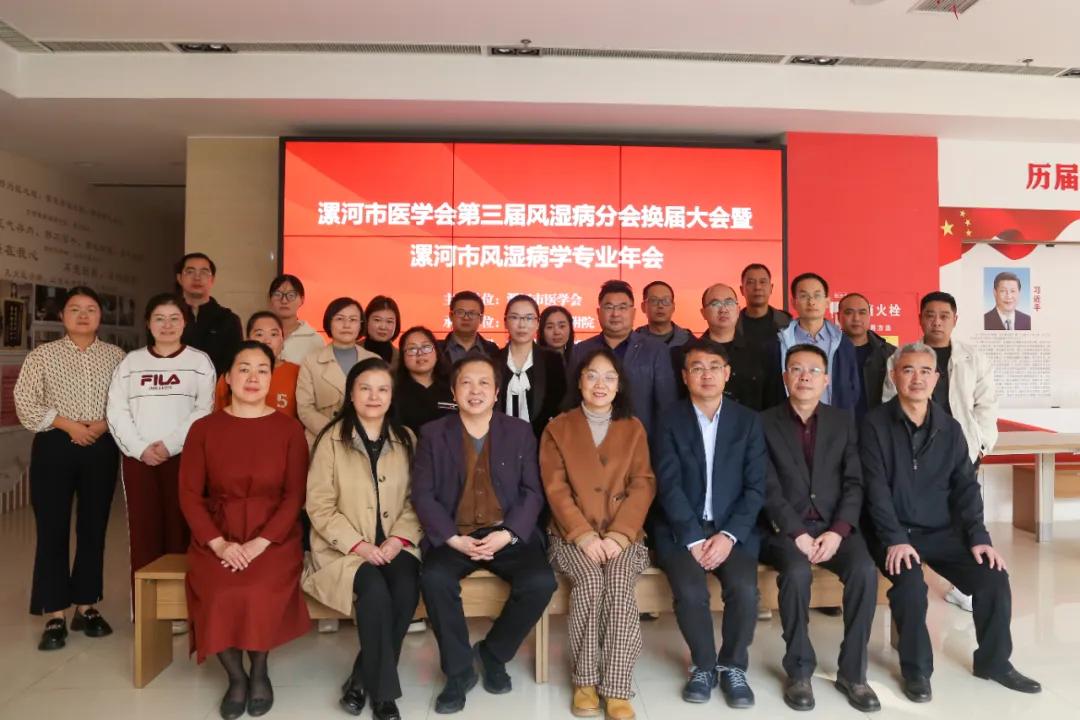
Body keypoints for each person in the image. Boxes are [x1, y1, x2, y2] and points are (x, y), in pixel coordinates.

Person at [861, 342, 1040, 701]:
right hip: (892, 532)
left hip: (940, 530)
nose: (917, 378)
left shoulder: (950, 428)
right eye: (908, 370)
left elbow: (965, 488)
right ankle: (916, 671)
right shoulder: (873, 425)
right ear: (894, 376)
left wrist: (979, 537)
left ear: (936, 378)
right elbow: (874, 490)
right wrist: (894, 538)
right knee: (911, 586)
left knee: (992, 577)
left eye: (925, 371)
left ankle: (994, 663)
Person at [412, 356, 557, 714]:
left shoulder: (519, 431)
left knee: (540, 582)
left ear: (496, 393)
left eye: (483, 384)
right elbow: (423, 494)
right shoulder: (432, 434)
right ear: (453, 391)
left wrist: (508, 533)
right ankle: (459, 671)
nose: (474, 391)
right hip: (455, 534)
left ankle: (493, 653)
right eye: (466, 383)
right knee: (434, 578)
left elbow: (532, 492)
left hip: (505, 533)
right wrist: (451, 538)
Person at [179, 341, 311, 719]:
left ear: (271, 379)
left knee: (257, 589)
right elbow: (189, 494)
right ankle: (236, 676)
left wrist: (260, 543)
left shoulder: (289, 430)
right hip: (217, 533)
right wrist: (219, 544)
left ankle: (260, 669)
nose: (253, 378)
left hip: (273, 535)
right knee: (219, 591)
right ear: (228, 378)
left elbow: (294, 496)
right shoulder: (203, 429)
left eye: (262, 370)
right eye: (244, 369)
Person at [759, 344, 880, 712]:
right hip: (785, 530)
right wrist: (796, 532)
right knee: (796, 574)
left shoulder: (844, 422)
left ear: (826, 380)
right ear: (785, 377)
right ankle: (799, 671)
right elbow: (766, 487)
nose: (805, 377)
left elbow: (855, 483)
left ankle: (853, 673)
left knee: (864, 570)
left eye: (814, 370)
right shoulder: (763, 422)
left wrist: (839, 530)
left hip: (833, 526)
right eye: (796, 369)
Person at [540, 347, 655, 720]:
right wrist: (584, 536)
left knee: (619, 583)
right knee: (590, 582)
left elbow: (643, 484)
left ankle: (617, 688)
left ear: (619, 385)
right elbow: (556, 490)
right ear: (579, 381)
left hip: (625, 535)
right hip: (571, 536)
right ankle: (585, 681)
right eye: (592, 375)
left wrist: (619, 535)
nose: (600, 384)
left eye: (609, 377)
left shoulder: (633, 427)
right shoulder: (558, 428)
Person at [651, 338, 766, 708]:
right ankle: (703, 665)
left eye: (714, 367)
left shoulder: (748, 421)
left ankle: (733, 665)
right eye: (697, 368)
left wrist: (729, 535)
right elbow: (667, 484)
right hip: (680, 530)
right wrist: (692, 537)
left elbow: (756, 488)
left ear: (727, 373)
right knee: (690, 592)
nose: (706, 375)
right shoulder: (668, 420)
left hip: (732, 529)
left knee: (745, 590)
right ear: (684, 376)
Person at [304, 358, 421, 720]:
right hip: (344, 549)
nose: (374, 396)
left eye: (382, 389)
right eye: (365, 388)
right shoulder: (330, 440)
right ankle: (384, 696)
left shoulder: (406, 439)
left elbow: (416, 500)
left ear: (391, 396)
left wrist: (397, 540)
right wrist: (360, 546)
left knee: (405, 588)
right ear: (351, 394)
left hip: (395, 544)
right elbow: (319, 506)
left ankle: (360, 678)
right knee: (374, 593)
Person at [14, 286, 125, 651]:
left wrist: (103, 425)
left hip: (101, 444)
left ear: (100, 316)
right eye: (74, 309)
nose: (83, 315)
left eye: (90, 309)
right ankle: (55, 612)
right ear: (61, 316)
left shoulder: (117, 357)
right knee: (52, 528)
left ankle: (87, 606)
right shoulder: (42, 355)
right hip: (55, 443)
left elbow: (126, 402)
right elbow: (25, 401)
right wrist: (69, 425)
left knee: (94, 526)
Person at [883, 291, 998, 613]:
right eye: (930, 315)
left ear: (954, 320)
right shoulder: (902, 357)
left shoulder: (974, 358)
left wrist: (980, 445)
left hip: (959, 448)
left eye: (944, 316)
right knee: (916, 512)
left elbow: (986, 405)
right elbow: (888, 402)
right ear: (920, 319)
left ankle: (962, 586)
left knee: (963, 510)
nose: (937, 321)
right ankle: (912, 573)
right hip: (913, 450)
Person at [107, 293, 216, 603]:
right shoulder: (131, 363)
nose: (167, 325)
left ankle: (180, 608)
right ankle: (146, 608)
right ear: (148, 323)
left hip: (184, 458)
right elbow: (116, 411)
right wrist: (140, 448)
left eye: (174, 318)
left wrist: (169, 446)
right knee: (144, 533)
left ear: (185, 323)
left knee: (181, 530)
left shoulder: (199, 362)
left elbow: (204, 410)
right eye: (159, 318)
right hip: (138, 461)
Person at [568, 280, 677, 437]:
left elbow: (666, 406)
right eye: (609, 307)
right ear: (598, 312)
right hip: (590, 441)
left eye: (622, 307)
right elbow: (572, 402)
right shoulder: (580, 351)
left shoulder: (656, 351)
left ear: (633, 312)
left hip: (641, 443)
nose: (615, 314)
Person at [673, 283, 783, 410]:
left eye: (729, 302)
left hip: (752, 422)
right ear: (703, 313)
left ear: (738, 309)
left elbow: (773, 401)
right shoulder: (689, 353)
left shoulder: (761, 352)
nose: (723, 309)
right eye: (715, 304)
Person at [296, 297, 379, 446]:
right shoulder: (311, 361)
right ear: (329, 322)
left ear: (361, 324)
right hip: (323, 440)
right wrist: (335, 432)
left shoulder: (374, 361)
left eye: (353, 319)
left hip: (364, 441)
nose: (346, 325)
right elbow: (305, 408)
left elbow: (382, 404)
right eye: (340, 319)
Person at [777, 273, 859, 411]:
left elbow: (853, 389)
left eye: (817, 295)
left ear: (827, 302)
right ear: (794, 302)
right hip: (787, 420)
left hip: (833, 421)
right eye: (804, 296)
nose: (811, 302)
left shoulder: (843, 343)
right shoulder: (779, 343)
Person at [494, 295, 566, 438]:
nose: (522, 325)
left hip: (542, 441)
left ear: (538, 323)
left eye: (529, 318)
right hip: (498, 440)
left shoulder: (552, 360)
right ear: (505, 322)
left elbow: (559, 405)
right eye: (515, 317)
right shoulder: (492, 360)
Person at [215, 311, 301, 418]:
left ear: (283, 340)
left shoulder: (298, 373)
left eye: (274, 334)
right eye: (259, 334)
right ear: (248, 339)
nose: (267, 341)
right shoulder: (232, 374)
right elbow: (219, 417)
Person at [175, 252, 243, 376]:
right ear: (179, 278)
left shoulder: (228, 320)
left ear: (212, 279)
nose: (197, 277)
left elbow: (235, 365)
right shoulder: (168, 318)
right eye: (190, 272)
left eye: (204, 272)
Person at [837, 293, 895, 422]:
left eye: (862, 312)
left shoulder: (890, 353)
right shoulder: (829, 352)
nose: (856, 318)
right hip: (839, 427)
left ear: (869, 316)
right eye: (849, 312)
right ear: (838, 316)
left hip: (878, 427)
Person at [394, 326, 457, 434]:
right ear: (402, 357)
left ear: (436, 352)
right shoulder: (394, 391)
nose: (420, 353)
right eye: (412, 349)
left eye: (426, 347)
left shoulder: (454, 386)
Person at [268, 274, 325, 364]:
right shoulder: (259, 335)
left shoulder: (314, 339)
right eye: (278, 295)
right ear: (270, 299)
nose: (284, 301)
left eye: (291, 295)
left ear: (302, 299)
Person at [736, 263, 791, 348]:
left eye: (763, 282)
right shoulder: (732, 324)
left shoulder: (787, 323)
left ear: (771, 288)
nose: (757, 287)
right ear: (742, 289)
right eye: (751, 282)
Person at [437, 291, 499, 365]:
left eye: (472, 313)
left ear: (481, 318)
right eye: (460, 312)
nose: (466, 318)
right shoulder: (436, 349)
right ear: (451, 316)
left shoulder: (492, 350)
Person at [633, 280, 691, 347]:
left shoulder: (688, 340)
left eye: (666, 300)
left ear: (673, 307)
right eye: (654, 300)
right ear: (643, 307)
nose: (660, 306)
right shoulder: (633, 342)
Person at [363, 295, 402, 370]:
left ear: (396, 325)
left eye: (389, 321)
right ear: (366, 321)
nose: (383, 327)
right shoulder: (351, 350)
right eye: (377, 320)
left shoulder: (402, 358)